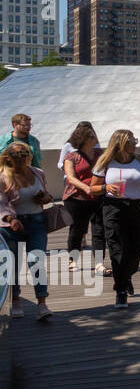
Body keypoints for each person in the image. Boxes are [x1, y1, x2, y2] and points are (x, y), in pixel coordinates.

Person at [92, 130, 140, 310]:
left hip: (136, 207)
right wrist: (106, 187)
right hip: (113, 207)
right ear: (120, 143)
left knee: (138, 245)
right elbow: (92, 188)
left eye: (135, 140)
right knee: (117, 248)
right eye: (131, 141)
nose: (135, 143)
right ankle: (120, 290)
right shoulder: (105, 162)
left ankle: (126, 275)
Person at [0, 143, 54, 321]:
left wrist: (44, 198)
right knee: (14, 265)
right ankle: (15, 301)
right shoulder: (3, 177)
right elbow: (1, 204)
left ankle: (42, 303)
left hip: (37, 222)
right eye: (16, 154)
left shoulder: (38, 172)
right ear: (8, 157)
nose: (21, 156)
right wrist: (11, 219)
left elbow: (47, 195)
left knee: (37, 261)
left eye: (24, 153)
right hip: (12, 226)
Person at [60, 122, 106, 276]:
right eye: (91, 136)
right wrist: (86, 188)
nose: (95, 138)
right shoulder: (71, 156)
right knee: (77, 230)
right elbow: (71, 178)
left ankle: (99, 262)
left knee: (99, 230)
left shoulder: (100, 154)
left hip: (98, 196)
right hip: (77, 198)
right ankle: (73, 260)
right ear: (83, 139)